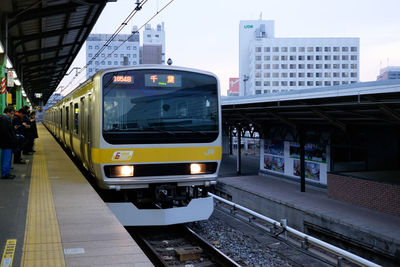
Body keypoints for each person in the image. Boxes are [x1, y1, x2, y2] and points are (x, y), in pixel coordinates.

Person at [0, 107, 17, 179]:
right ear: (7, 112)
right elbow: (5, 132)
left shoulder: (2, 118)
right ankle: (5, 174)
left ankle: (5, 172)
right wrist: (12, 139)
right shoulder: (5, 120)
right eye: (12, 113)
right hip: (7, 143)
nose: (12, 115)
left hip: (4, 143)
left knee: (4, 158)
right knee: (7, 159)